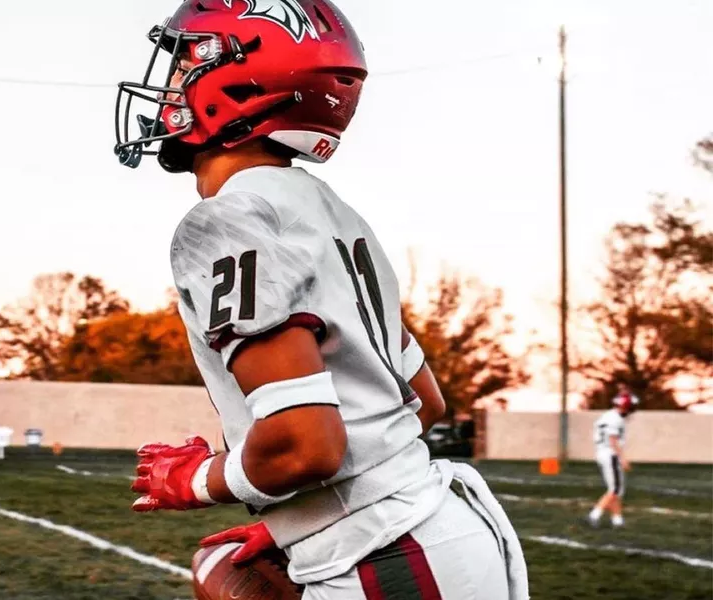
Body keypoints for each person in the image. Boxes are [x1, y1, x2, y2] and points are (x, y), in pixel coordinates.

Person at [115, 1, 528, 598]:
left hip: (387, 556)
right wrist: (304, 524)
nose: (169, 85)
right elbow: (425, 402)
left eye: (186, 62)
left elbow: (306, 445)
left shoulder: (227, 221)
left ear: (240, 82)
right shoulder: (333, 213)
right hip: (436, 535)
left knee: (215, 577)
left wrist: (197, 479)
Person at [588, 384, 640, 528]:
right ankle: (594, 514)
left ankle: (617, 519)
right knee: (615, 490)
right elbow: (613, 439)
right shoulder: (615, 419)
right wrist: (622, 458)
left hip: (604, 452)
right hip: (610, 454)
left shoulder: (609, 415)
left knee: (615, 489)